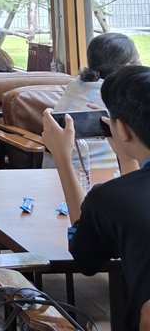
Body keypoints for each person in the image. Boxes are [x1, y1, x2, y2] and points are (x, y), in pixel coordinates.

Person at [41, 65, 150, 331]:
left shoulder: (111, 198)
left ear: (122, 129)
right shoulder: (122, 198)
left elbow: (86, 257)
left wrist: (63, 159)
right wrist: (126, 155)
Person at [53, 33, 140, 169]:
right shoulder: (120, 95)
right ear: (128, 66)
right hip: (109, 170)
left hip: (61, 170)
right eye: (138, 60)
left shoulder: (76, 86)